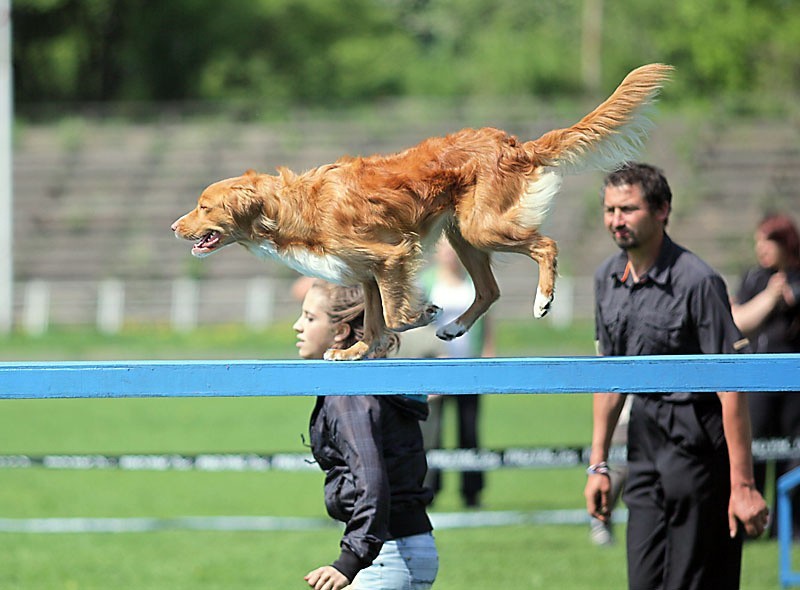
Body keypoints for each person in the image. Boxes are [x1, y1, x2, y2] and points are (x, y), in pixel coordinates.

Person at [583, 162, 769, 590]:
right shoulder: (605, 279)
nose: (616, 220)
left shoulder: (698, 281)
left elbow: (731, 386)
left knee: (695, 579)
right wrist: (598, 464)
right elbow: (609, 378)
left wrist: (742, 486)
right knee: (644, 579)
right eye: (610, 210)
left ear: (662, 210)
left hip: (700, 442)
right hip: (644, 441)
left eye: (628, 209)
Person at [295, 279, 438, 590]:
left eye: (309, 317)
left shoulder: (349, 392)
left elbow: (371, 478)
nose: (297, 326)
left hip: (386, 555)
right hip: (405, 547)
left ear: (340, 331)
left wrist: (350, 560)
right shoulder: (373, 375)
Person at [731, 212, 800, 538]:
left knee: (794, 457)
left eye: (768, 241)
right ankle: (751, 523)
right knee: (753, 451)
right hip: (757, 378)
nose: (762, 248)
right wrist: (771, 297)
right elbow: (739, 322)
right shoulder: (755, 279)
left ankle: (791, 528)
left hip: (795, 386)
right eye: (758, 241)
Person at [420, 239, 492, 508]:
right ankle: (429, 490)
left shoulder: (473, 280)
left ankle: (472, 492)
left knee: (470, 430)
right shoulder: (426, 282)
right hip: (435, 369)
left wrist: (488, 348)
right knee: (431, 432)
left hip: (469, 367)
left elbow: (487, 314)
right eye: (446, 248)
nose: (451, 255)